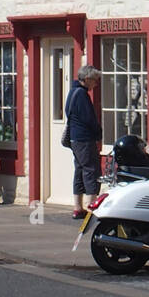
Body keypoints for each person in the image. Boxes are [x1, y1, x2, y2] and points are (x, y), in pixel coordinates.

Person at [66, 65, 102, 219]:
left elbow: (68, 112)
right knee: (91, 170)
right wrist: (98, 134)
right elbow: (89, 119)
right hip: (84, 138)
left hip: (75, 138)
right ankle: (92, 206)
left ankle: (77, 207)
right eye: (95, 80)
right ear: (87, 79)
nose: (96, 84)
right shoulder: (82, 95)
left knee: (80, 170)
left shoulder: (73, 92)